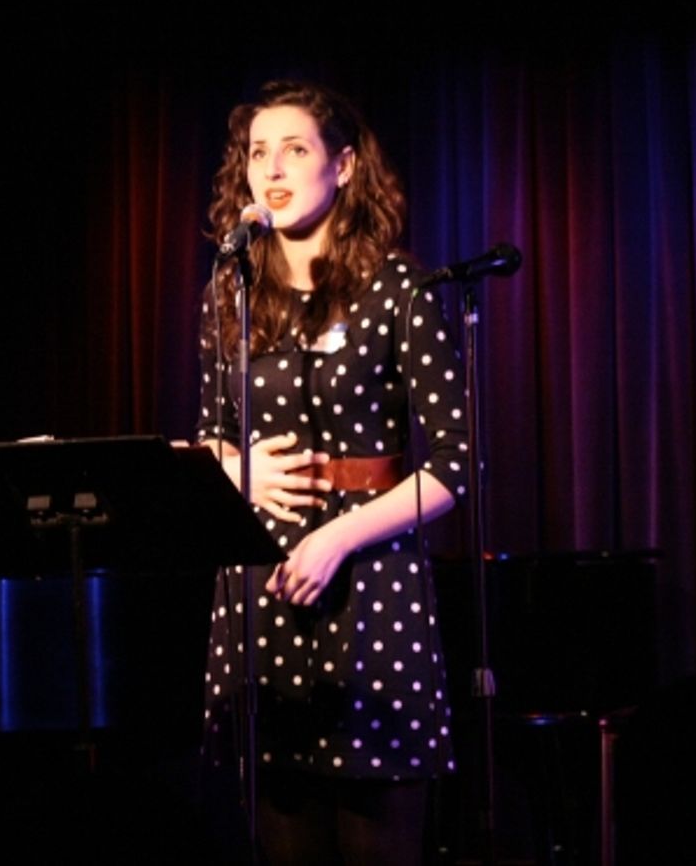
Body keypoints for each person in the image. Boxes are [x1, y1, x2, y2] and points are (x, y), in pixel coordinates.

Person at [196, 79, 468, 865]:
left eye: (296, 149)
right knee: (283, 835)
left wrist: (336, 539)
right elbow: (208, 438)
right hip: (263, 585)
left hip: (372, 585)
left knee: (375, 836)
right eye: (257, 153)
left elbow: (452, 464)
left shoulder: (398, 288)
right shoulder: (230, 290)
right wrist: (240, 471)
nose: (271, 169)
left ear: (343, 166)